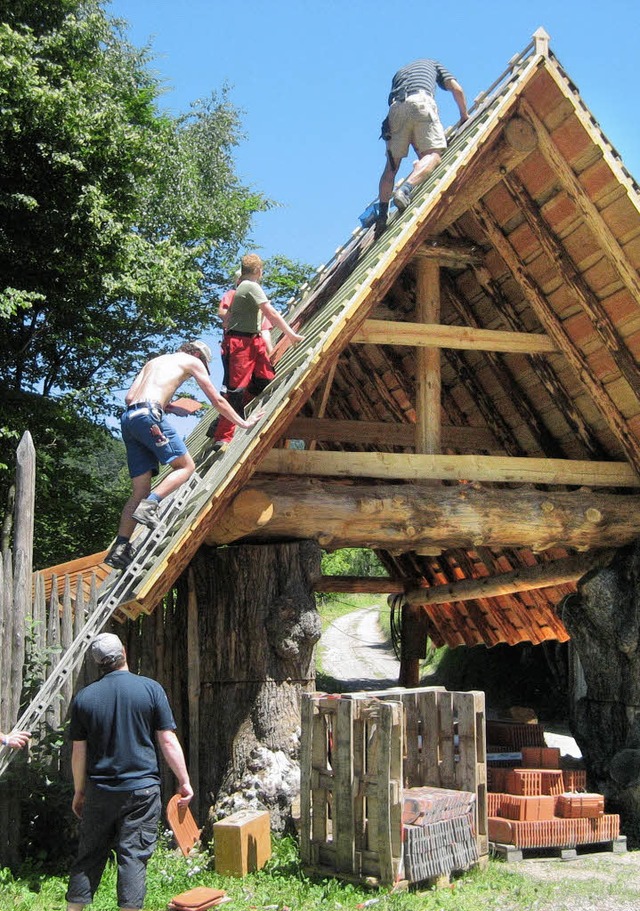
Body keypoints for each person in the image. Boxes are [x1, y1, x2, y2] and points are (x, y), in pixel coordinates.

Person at [105, 340, 263, 570]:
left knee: (140, 489)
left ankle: (120, 547)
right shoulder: (191, 361)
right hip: (149, 415)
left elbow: (130, 398)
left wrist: (168, 407)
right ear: (197, 354)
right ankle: (149, 506)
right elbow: (218, 400)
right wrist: (243, 422)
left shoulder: (154, 361)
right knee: (185, 467)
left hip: (129, 419)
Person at [66, 632, 192, 911]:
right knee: (133, 858)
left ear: (98, 663)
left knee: (88, 857)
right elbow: (168, 740)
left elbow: (78, 752)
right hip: (142, 792)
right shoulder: (150, 689)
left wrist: (79, 790)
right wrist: (184, 781)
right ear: (124, 652)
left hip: (100, 792)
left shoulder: (84, 698)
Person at [211, 254, 304, 448]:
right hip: (240, 343)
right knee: (235, 389)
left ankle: (230, 413)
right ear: (259, 271)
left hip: (253, 340)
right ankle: (223, 436)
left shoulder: (244, 288)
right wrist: (291, 335)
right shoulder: (251, 286)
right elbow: (271, 312)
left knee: (264, 379)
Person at [375, 58, 468, 236]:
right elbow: (457, 89)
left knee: (391, 168)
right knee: (434, 155)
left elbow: (407, 122)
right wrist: (464, 115)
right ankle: (404, 191)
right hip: (421, 101)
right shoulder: (434, 65)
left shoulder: (399, 74)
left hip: (395, 109)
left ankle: (381, 216)